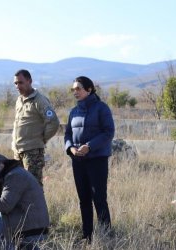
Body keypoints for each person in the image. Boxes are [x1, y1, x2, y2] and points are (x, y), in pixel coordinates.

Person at [64, 76, 115, 242]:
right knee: (83, 199)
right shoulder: (73, 111)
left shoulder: (101, 108)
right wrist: (70, 148)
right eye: (73, 89)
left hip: (97, 160)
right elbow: (67, 134)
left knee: (99, 199)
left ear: (89, 89)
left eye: (78, 88)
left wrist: (90, 146)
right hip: (78, 161)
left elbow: (108, 132)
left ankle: (106, 235)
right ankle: (87, 237)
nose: (75, 92)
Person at [0, 153, 50, 250]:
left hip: (30, 228)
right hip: (31, 223)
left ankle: (13, 247)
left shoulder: (14, 176)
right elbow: (6, 198)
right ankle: (23, 246)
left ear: (1, 166)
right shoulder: (14, 173)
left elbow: (4, 206)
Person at [11, 69, 60, 186]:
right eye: (15, 83)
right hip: (18, 151)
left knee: (33, 187)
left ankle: (37, 206)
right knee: (20, 187)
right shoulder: (19, 100)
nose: (18, 86)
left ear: (29, 81)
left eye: (20, 82)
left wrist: (42, 139)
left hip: (32, 153)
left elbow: (53, 122)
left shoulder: (39, 100)